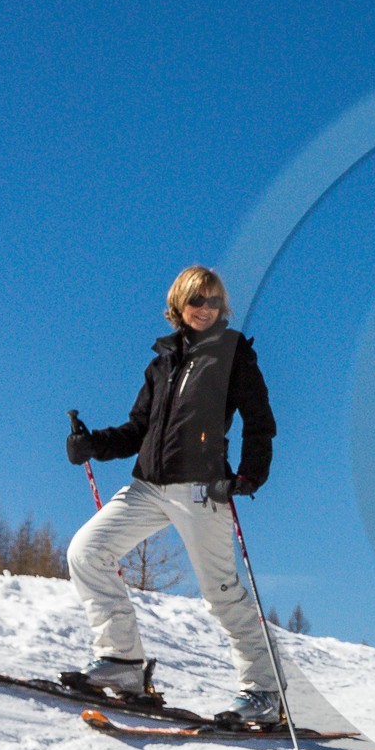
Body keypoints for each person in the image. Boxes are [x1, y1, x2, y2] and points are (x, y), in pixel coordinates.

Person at [64, 265, 281, 723]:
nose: (206, 309)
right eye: (197, 300)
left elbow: (259, 421)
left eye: (215, 301)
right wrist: (93, 445)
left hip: (201, 489)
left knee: (221, 593)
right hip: (148, 485)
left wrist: (248, 476)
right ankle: (123, 663)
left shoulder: (233, 353)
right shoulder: (161, 363)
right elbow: (138, 430)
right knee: (86, 552)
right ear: (179, 305)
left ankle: (263, 693)